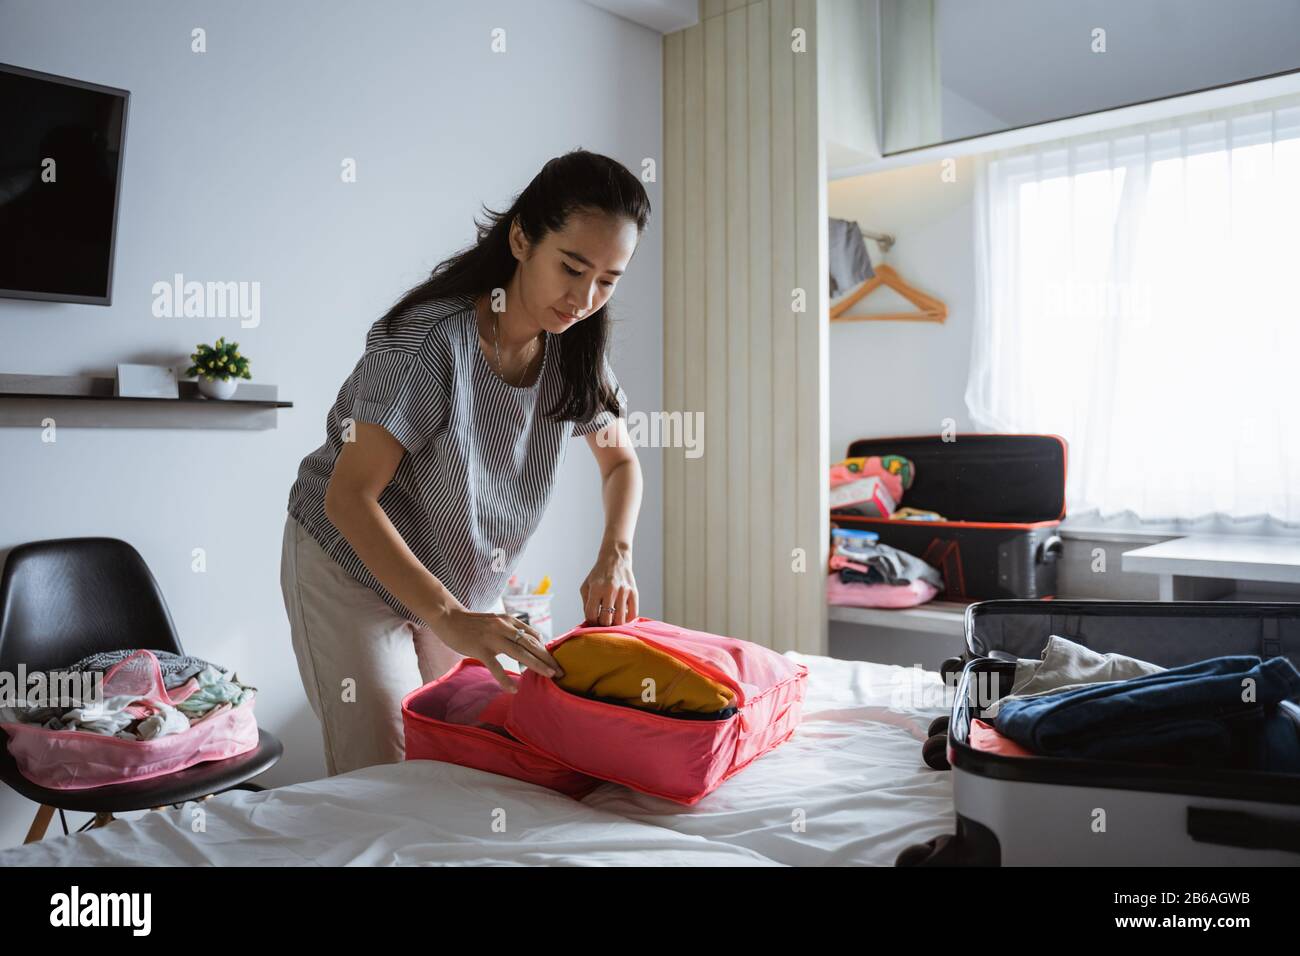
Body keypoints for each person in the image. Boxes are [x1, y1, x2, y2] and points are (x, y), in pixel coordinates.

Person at [280, 149, 648, 776]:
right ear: (521, 237)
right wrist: (448, 618)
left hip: (457, 580)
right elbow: (348, 497)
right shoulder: (431, 342)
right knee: (383, 769)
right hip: (349, 564)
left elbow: (620, 466)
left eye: (608, 281)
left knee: (454, 762)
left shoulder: (575, 350)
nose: (585, 298)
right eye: (571, 267)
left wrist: (616, 551)